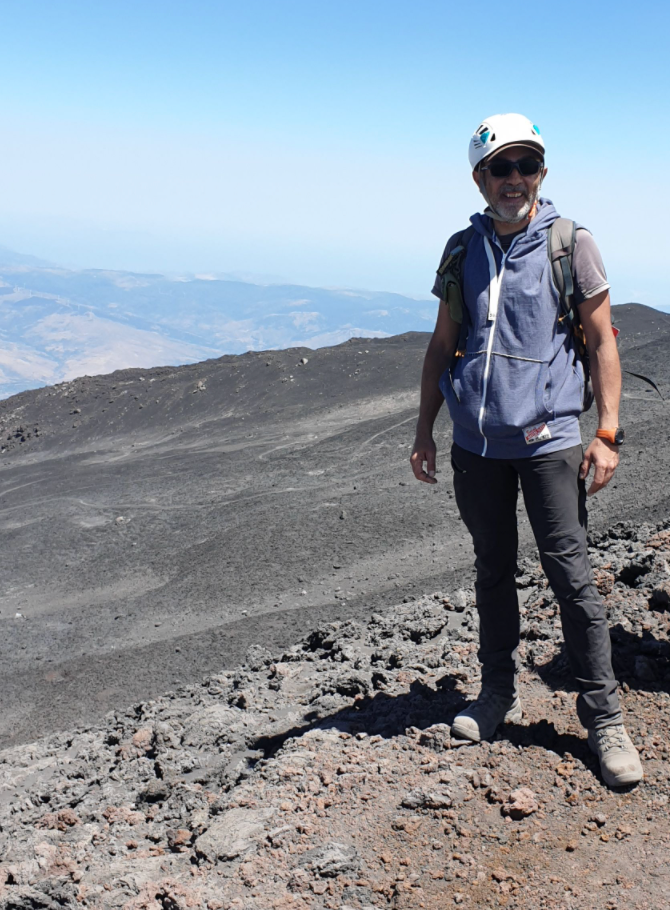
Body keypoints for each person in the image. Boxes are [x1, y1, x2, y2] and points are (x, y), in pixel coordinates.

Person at [410, 113, 642, 788]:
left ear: (540, 173)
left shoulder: (571, 243)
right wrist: (424, 430)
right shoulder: (461, 248)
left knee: (570, 576)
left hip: (550, 441)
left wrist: (606, 433)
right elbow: (439, 344)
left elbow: (603, 342)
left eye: (527, 166)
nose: (514, 180)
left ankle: (604, 719)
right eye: (501, 168)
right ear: (479, 176)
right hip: (477, 446)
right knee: (492, 570)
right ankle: (496, 693)